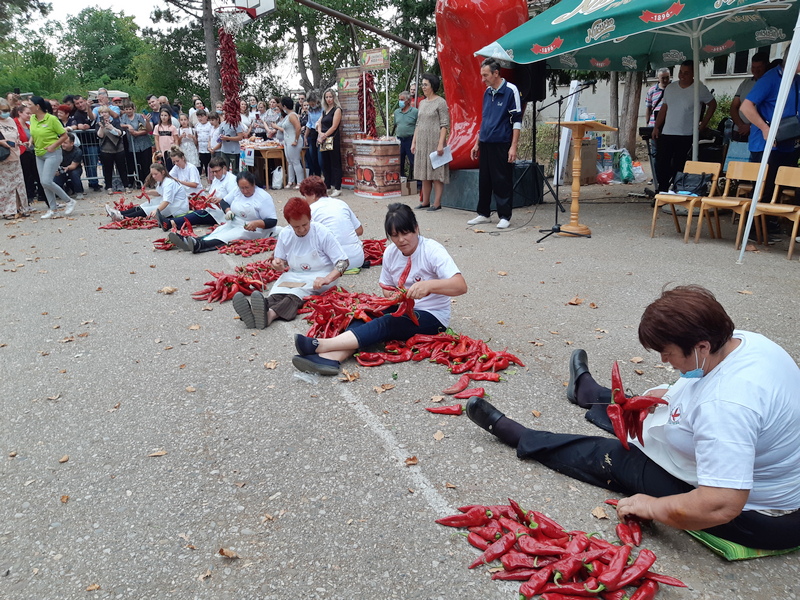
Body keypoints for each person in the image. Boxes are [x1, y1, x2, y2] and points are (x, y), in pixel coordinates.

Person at [466, 285, 800, 550]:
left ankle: (522, 436)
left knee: (610, 457)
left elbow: (720, 505)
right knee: (637, 407)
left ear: (700, 345)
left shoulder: (726, 406)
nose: (665, 361)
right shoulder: (744, 343)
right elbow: (699, 390)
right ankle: (589, 394)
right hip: (762, 470)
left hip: (758, 514)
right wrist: (668, 395)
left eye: (667, 353)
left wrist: (651, 507)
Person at [292, 202, 467, 376]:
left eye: (405, 233)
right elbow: (386, 288)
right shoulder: (391, 252)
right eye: (395, 235)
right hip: (403, 307)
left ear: (416, 228)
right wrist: (392, 295)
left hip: (433, 315)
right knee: (364, 314)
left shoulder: (432, 250)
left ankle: (321, 345)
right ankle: (331, 358)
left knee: (388, 323)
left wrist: (429, 286)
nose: (401, 240)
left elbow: (460, 286)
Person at [233, 196, 346, 330]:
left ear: (310, 218)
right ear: (289, 223)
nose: (302, 229)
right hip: (294, 275)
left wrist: (328, 278)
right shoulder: (285, 234)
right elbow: (281, 261)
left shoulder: (321, 232)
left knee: (294, 296)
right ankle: (255, 312)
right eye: (296, 227)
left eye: (305, 224)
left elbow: (343, 261)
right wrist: (277, 264)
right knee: (277, 294)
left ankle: (269, 315)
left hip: (319, 277)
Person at [740, 48, 800, 222]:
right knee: (764, 189)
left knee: (779, 189)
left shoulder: (796, 80)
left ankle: (771, 227)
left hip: (789, 143)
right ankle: (755, 230)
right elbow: (746, 107)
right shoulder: (771, 78)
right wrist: (765, 129)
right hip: (766, 144)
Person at [469, 58, 522, 229]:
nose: (482, 79)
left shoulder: (510, 90)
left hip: (502, 142)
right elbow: (484, 120)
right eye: (482, 75)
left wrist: (513, 146)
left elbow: (517, 121)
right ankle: (483, 213)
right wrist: (477, 143)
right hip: (485, 142)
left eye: (485, 75)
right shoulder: (487, 92)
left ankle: (505, 215)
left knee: (502, 180)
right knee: (484, 180)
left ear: (496, 73)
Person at [168, 170, 277, 254]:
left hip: (255, 229)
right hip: (236, 222)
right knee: (219, 231)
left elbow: (272, 221)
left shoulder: (263, 197)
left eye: (247, 188)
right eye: (241, 188)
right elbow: (224, 202)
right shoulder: (237, 191)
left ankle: (199, 246)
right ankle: (191, 241)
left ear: (254, 184)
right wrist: (228, 211)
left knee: (229, 236)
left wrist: (256, 223)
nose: (244, 191)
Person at [652, 60, 717, 193]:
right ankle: (662, 190)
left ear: (693, 73)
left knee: (679, 165)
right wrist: (656, 126)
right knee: (661, 163)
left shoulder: (699, 88)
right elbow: (664, 108)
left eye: (686, 73)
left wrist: (703, 124)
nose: (682, 75)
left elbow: (712, 104)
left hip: (686, 134)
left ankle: (678, 190)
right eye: (680, 72)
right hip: (667, 132)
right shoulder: (670, 88)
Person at [300, 175, 364, 268]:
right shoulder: (341, 203)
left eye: (306, 197)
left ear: (313, 195)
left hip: (333, 262)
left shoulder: (311, 209)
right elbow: (359, 230)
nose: (306, 200)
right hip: (357, 258)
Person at [159, 157, 238, 231]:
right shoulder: (217, 179)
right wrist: (206, 198)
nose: (214, 174)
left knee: (199, 215)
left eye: (217, 171)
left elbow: (234, 200)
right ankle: (170, 221)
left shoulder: (232, 180)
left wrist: (219, 200)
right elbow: (211, 193)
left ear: (224, 168)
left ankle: (171, 223)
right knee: (197, 213)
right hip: (213, 207)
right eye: (212, 172)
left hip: (222, 212)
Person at [29, 96, 75, 219]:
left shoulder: (52, 119)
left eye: (30, 105)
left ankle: (69, 201)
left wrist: (53, 146)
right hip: (39, 154)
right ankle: (53, 209)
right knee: (44, 183)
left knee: (46, 181)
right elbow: (34, 132)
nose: (29, 107)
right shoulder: (33, 118)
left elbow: (64, 135)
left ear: (37, 106)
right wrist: (30, 141)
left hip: (52, 154)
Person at [412, 74, 450, 211]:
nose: (423, 87)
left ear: (432, 86)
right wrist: (414, 142)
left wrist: (441, 143)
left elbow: (444, 124)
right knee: (424, 174)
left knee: (436, 174)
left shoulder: (440, 102)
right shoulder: (422, 103)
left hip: (435, 141)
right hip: (422, 142)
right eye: (422, 85)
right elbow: (418, 124)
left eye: (425, 85)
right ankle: (425, 202)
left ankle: (437, 203)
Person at [106, 163, 188, 221]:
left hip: (177, 207)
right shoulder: (162, 180)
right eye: (152, 174)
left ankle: (122, 217)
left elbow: (167, 201)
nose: (153, 176)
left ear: (163, 172)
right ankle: (120, 213)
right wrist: (149, 192)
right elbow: (160, 193)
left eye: (156, 174)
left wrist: (156, 210)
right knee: (146, 204)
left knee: (149, 209)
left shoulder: (168, 183)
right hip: (173, 203)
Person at [730, 52, 770, 143]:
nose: (756, 70)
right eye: (753, 67)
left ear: (766, 66)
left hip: (758, 133)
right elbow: (733, 107)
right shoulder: (745, 83)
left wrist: (751, 127)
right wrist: (741, 125)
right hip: (739, 131)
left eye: (759, 67)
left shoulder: (769, 83)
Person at [0, 97, 28, 218]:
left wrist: (17, 141)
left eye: (7, 109)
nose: (5, 112)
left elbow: (16, 134)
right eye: (3, 110)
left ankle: (20, 207)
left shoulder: (11, 120)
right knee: (6, 185)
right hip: (3, 157)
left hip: (15, 155)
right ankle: (7, 210)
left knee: (18, 183)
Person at [11, 103, 44, 204]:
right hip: (22, 152)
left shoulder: (29, 125)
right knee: (26, 176)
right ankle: (28, 197)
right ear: (20, 113)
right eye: (27, 113)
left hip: (31, 151)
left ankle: (41, 195)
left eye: (30, 113)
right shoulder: (14, 124)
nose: (29, 116)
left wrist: (31, 140)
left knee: (37, 174)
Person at [119, 99, 153, 189]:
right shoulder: (124, 118)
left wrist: (137, 133)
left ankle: (148, 182)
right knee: (135, 164)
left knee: (146, 164)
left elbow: (146, 129)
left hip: (143, 143)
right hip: (132, 145)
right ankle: (138, 181)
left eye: (130, 109)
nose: (128, 111)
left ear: (133, 109)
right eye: (126, 109)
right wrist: (128, 126)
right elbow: (121, 125)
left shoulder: (139, 117)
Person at [272, 96, 305, 189]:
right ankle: (291, 180)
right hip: (287, 140)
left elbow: (298, 127)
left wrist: (296, 140)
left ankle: (300, 181)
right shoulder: (287, 116)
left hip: (293, 140)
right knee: (290, 162)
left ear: (285, 106)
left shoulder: (292, 116)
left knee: (295, 161)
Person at [96, 105, 128, 194]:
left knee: (122, 168)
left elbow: (121, 133)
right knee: (107, 169)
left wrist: (112, 127)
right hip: (106, 149)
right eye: (102, 113)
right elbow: (100, 136)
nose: (104, 114)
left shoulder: (116, 122)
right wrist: (102, 127)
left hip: (118, 148)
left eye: (105, 112)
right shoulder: (98, 124)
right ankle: (109, 187)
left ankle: (125, 185)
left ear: (109, 113)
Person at [72, 95, 101, 192]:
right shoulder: (77, 114)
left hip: (100, 139)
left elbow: (93, 118)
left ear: (84, 101)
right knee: (91, 164)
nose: (80, 105)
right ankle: (93, 183)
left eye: (81, 102)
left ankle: (104, 181)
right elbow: (79, 125)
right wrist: (83, 127)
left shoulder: (94, 109)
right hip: (88, 143)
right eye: (77, 103)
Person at [318, 88, 343, 197]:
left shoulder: (337, 110)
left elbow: (334, 126)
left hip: (332, 138)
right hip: (323, 139)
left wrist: (324, 135)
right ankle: (327, 185)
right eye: (327, 97)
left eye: (330, 97)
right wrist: (320, 133)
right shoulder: (324, 110)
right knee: (325, 163)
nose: (329, 99)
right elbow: (319, 122)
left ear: (334, 98)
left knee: (335, 163)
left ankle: (337, 187)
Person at [394, 91, 418, 181]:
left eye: (402, 100)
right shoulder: (397, 112)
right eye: (399, 99)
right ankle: (402, 181)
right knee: (399, 162)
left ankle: (418, 182)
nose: (400, 101)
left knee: (414, 161)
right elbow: (396, 124)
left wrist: (415, 141)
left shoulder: (415, 112)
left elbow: (418, 126)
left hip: (410, 139)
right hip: (399, 140)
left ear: (408, 101)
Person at [53, 133, 84, 199]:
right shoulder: (58, 149)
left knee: (74, 174)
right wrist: (56, 170)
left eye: (65, 143)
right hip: (61, 168)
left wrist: (67, 168)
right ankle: (63, 191)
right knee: (56, 180)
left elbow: (74, 165)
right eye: (62, 142)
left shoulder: (78, 151)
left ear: (72, 143)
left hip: (74, 169)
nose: (62, 144)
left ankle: (79, 192)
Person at [153, 107, 179, 171]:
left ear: (169, 117)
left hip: (170, 149)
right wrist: (158, 150)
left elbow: (176, 139)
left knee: (171, 166)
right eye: (162, 115)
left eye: (165, 115)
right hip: (161, 150)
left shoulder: (172, 127)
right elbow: (156, 139)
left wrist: (175, 150)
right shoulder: (157, 127)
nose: (163, 117)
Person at [304, 91, 323, 177]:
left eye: (313, 103)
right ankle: (317, 176)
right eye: (310, 104)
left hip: (321, 132)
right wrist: (305, 136)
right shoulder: (310, 110)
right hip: (312, 133)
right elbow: (309, 123)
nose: (312, 105)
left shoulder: (323, 108)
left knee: (320, 158)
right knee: (313, 156)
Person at [194, 109, 214, 179]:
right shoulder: (197, 125)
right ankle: (206, 177)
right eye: (199, 117)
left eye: (202, 116)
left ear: (206, 116)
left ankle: (211, 178)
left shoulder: (210, 125)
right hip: (201, 148)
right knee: (204, 163)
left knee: (210, 164)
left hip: (208, 147)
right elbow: (196, 135)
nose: (200, 118)